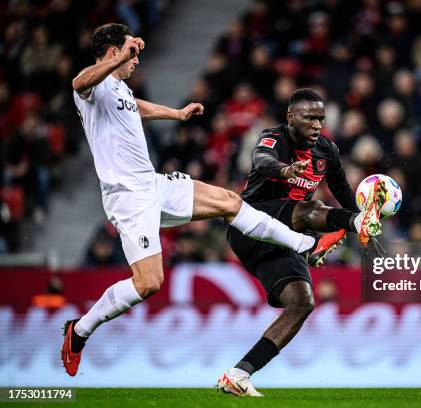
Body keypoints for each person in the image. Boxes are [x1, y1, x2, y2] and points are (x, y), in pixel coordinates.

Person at [61, 23, 346, 377]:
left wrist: (176, 114)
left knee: (229, 201)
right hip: (128, 198)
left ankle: (305, 244)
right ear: (111, 51)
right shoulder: (90, 88)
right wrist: (122, 55)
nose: (135, 61)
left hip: (153, 184)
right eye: (129, 54)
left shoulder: (119, 89)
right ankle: (80, 330)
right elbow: (78, 82)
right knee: (149, 283)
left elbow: (136, 107)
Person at [216, 88, 386, 397]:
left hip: (286, 239)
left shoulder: (327, 150)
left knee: (302, 302)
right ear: (291, 117)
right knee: (310, 210)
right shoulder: (275, 137)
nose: (317, 124)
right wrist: (284, 170)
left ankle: (239, 374)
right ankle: (322, 238)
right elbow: (262, 160)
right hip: (250, 226)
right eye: (309, 118)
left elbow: (344, 194)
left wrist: (363, 227)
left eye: (321, 118)